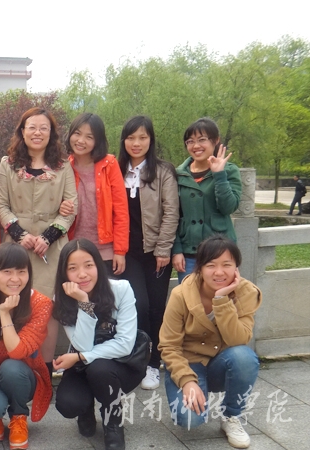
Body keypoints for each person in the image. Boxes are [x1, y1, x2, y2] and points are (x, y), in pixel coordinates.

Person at [0, 107, 78, 375]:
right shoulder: (8, 164)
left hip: (51, 249)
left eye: (44, 128)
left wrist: (48, 236)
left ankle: (44, 369)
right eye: (32, 127)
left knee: (47, 308)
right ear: (22, 131)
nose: (37, 133)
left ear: (51, 133)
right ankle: (15, 368)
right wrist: (20, 234)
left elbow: (71, 207)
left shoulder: (63, 166)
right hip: (15, 245)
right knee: (14, 303)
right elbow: (1, 205)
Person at [159, 235, 262, 449]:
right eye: (211, 265)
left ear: (236, 267)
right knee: (189, 419)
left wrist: (222, 300)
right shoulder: (181, 294)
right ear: (199, 267)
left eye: (227, 265)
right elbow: (169, 345)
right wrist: (187, 381)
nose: (219, 272)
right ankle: (194, 389)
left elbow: (239, 339)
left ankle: (231, 416)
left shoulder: (246, 292)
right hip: (188, 363)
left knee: (244, 357)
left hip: (221, 363)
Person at [52, 239, 143, 450]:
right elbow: (82, 345)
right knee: (68, 404)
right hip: (82, 366)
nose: (82, 274)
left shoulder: (121, 289)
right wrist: (84, 302)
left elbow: (125, 344)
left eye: (88, 265)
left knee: (100, 369)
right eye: (73, 268)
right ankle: (86, 409)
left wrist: (80, 357)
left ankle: (113, 422)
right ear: (64, 273)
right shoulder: (63, 298)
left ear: (98, 266)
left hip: (121, 365)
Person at [0, 243, 53, 450]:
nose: (15, 279)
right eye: (7, 272)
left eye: (21, 272)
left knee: (11, 368)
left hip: (23, 373)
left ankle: (19, 417)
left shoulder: (40, 304)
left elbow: (17, 352)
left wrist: (4, 313)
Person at [116, 115, 179, 390]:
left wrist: (164, 249)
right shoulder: (116, 169)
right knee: (136, 305)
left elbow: (171, 212)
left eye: (143, 137)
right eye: (131, 137)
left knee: (156, 307)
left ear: (151, 140)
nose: (136, 143)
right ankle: (137, 359)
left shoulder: (163, 171)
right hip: (126, 252)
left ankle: (154, 363)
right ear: (123, 141)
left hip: (156, 252)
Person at [171, 118, 241, 283]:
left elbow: (228, 207)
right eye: (190, 141)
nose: (196, 146)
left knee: (221, 296)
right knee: (190, 296)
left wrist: (219, 175)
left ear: (215, 141)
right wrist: (176, 250)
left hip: (221, 252)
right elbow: (172, 215)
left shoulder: (229, 170)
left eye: (202, 140)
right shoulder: (178, 174)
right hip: (189, 253)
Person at [66, 112, 129, 276]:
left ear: (97, 141)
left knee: (105, 292)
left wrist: (120, 251)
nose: (81, 141)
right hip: (73, 247)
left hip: (105, 250)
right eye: (77, 133)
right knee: (78, 292)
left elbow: (121, 211)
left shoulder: (109, 164)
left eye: (89, 137)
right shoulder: (64, 166)